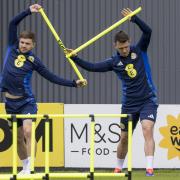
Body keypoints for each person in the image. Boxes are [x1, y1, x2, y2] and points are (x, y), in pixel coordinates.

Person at [67, 8, 158, 177]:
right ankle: (118, 167)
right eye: (121, 48)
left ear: (129, 42)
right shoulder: (113, 62)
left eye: (126, 46)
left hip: (147, 100)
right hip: (129, 104)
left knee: (147, 128)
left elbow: (148, 31)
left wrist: (134, 19)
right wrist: (75, 57)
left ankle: (149, 168)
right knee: (124, 137)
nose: (124, 50)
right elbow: (92, 67)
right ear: (115, 46)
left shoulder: (139, 50)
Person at [0, 4, 86, 175]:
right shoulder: (12, 47)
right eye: (22, 42)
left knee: (28, 130)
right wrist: (28, 11)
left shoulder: (34, 60)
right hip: (10, 102)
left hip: (27, 102)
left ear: (33, 45)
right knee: (17, 139)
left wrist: (73, 83)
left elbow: (51, 77)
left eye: (27, 44)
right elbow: (12, 24)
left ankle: (31, 166)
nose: (23, 45)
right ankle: (25, 167)